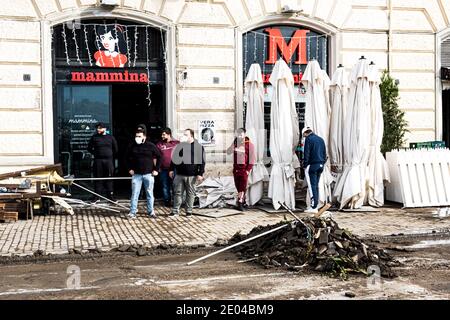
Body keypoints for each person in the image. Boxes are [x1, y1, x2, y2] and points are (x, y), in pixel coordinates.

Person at [126, 127, 161, 219]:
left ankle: (151, 212)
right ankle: (132, 212)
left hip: (148, 174)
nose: (137, 137)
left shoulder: (150, 145)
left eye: (139, 136)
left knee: (149, 194)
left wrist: (156, 169)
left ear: (144, 137)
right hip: (136, 175)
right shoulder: (132, 146)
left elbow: (159, 156)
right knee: (135, 194)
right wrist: (129, 168)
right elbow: (126, 158)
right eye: (136, 136)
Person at [169, 129, 205, 217]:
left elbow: (202, 162)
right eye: (183, 134)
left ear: (191, 136)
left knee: (190, 193)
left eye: (186, 135)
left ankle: (189, 211)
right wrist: (171, 169)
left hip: (192, 175)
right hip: (179, 174)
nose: (183, 136)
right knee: (177, 193)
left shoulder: (198, 147)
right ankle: (175, 211)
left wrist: (200, 173)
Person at [87, 123, 118, 201]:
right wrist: (96, 154)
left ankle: (110, 196)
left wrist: (109, 155)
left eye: (100, 128)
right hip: (98, 161)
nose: (98, 129)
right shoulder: (94, 137)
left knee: (109, 178)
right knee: (98, 178)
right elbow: (89, 148)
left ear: (104, 129)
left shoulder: (111, 137)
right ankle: (97, 197)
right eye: (97, 128)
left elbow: (116, 149)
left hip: (108, 161)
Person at [227, 128, 255, 211]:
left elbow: (252, 159)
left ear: (244, 134)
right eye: (238, 134)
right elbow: (228, 152)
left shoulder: (249, 145)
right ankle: (243, 202)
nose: (239, 136)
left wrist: (247, 170)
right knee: (238, 187)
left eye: (241, 134)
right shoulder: (235, 143)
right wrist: (233, 146)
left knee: (242, 188)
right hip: (236, 170)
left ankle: (240, 203)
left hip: (243, 170)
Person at [302, 127, 327, 214]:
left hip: (312, 165)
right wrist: (323, 162)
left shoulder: (308, 139)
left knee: (312, 186)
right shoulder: (321, 139)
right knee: (316, 185)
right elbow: (325, 154)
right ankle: (316, 204)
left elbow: (306, 153)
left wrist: (305, 165)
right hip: (320, 165)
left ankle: (314, 206)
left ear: (305, 133)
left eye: (303, 135)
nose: (304, 137)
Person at [156, 128, 180, 207]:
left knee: (175, 185)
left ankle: (176, 202)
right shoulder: (159, 144)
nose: (162, 136)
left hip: (175, 169)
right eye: (162, 134)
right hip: (163, 169)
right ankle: (167, 202)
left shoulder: (176, 143)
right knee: (165, 185)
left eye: (164, 134)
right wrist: (157, 167)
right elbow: (155, 157)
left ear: (169, 134)